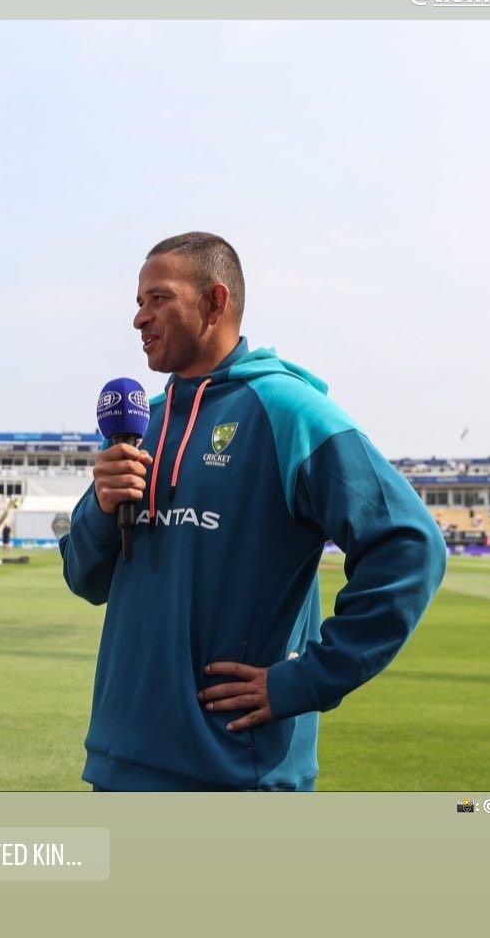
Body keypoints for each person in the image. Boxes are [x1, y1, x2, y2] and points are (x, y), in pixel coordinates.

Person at [61, 232, 447, 791]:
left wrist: (305, 679)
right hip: (120, 765)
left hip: (237, 776)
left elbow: (411, 547)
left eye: (159, 299)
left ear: (215, 303)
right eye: (139, 302)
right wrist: (101, 508)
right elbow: (84, 578)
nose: (140, 318)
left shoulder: (289, 410)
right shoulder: (141, 426)